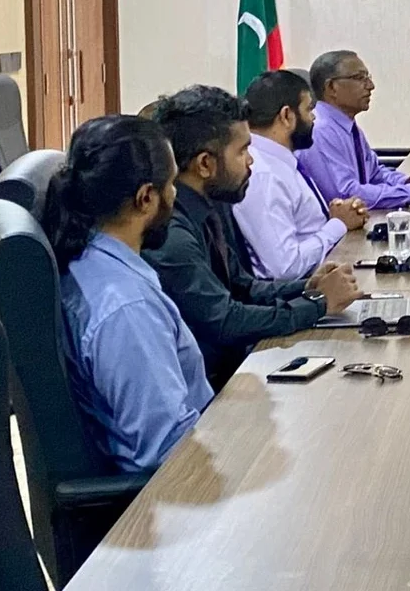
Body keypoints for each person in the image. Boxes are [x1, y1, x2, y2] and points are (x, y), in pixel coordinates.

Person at [148, 86, 361, 386]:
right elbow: (225, 320)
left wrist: (307, 287)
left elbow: (243, 286)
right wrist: (319, 303)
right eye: (242, 151)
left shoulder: (210, 206)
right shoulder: (172, 234)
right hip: (213, 386)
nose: (251, 161)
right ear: (205, 164)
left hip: (236, 369)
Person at [44, 115, 211, 472]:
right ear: (145, 198)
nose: (176, 194)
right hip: (182, 485)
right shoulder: (127, 309)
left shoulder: (93, 261)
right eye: (171, 184)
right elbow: (168, 450)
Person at [235, 70, 367, 280]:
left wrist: (334, 215)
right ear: (286, 116)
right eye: (308, 109)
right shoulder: (263, 174)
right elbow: (285, 268)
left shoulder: (280, 161)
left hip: (325, 275)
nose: (314, 117)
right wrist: (338, 224)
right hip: (301, 291)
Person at [297, 50, 410, 209]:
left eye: (368, 77)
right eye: (359, 78)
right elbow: (347, 196)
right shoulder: (319, 131)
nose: (371, 86)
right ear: (331, 87)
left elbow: (375, 174)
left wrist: (405, 182)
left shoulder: (347, 127)